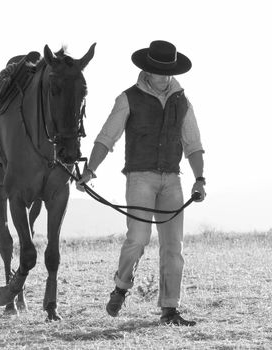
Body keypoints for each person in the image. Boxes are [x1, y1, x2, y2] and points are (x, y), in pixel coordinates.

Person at [77, 40, 206, 326]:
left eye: (167, 71)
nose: (162, 76)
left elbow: (193, 144)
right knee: (138, 238)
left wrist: (199, 179)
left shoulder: (182, 101)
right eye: (156, 70)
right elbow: (106, 137)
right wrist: (89, 170)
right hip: (140, 178)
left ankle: (169, 309)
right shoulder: (128, 98)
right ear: (146, 70)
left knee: (174, 246)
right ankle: (121, 287)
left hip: (173, 180)